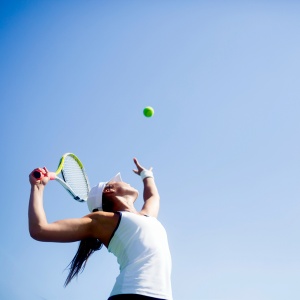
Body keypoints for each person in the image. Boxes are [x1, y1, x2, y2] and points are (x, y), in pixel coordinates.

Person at [28, 158, 173, 300]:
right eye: (117, 181)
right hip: (133, 293)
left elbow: (153, 197)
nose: (125, 181)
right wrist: (38, 187)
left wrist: (146, 175)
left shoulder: (146, 216)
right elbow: (39, 229)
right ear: (109, 190)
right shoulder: (103, 221)